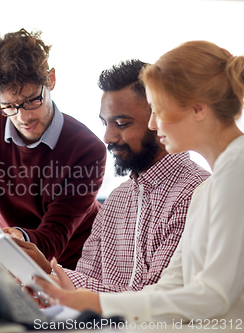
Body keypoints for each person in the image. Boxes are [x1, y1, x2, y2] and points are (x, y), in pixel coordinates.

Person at [35, 40, 244, 321]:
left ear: (198, 109)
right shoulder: (208, 190)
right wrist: (80, 298)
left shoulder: (235, 172)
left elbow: (213, 296)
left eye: (159, 109)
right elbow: (170, 286)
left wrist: (98, 303)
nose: (154, 125)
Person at [15, 59, 210, 293]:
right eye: (105, 123)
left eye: (121, 123)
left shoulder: (196, 193)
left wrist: (49, 272)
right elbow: (88, 283)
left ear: (160, 118)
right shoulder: (116, 201)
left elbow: (156, 302)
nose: (107, 137)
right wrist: (46, 278)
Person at [0, 29, 107, 269]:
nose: (24, 117)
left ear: (51, 80)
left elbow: (53, 238)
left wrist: (16, 238)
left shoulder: (87, 149)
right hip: (13, 254)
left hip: (76, 265)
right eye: (9, 106)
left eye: (32, 100)